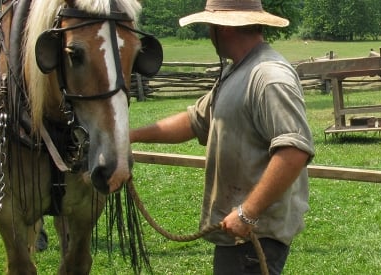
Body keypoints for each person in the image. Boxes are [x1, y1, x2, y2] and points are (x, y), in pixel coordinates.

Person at [130, 0, 315, 273]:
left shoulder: (268, 76)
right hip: (241, 232)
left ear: (224, 27)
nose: (208, 32)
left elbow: (294, 150)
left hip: (255, 234)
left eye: (210, 25)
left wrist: (248, 213)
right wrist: (129, 135)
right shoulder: (238, 70)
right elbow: (195, 121)